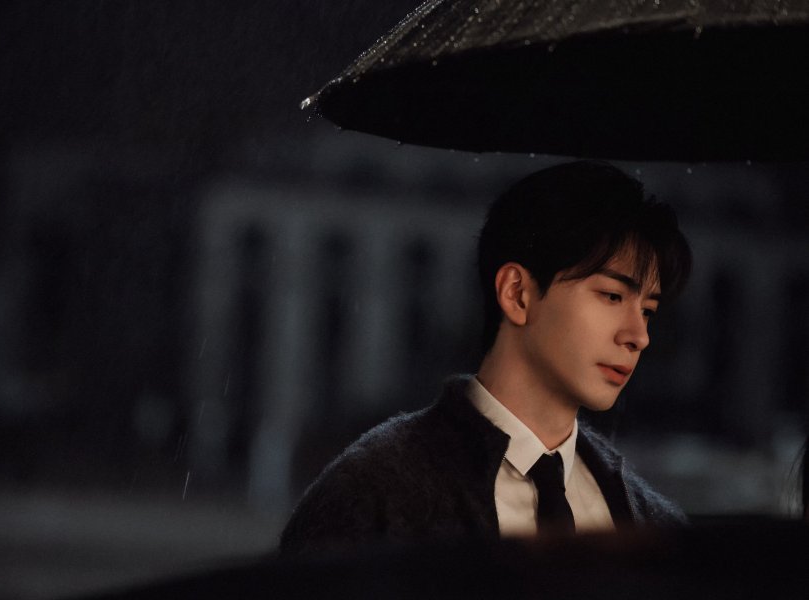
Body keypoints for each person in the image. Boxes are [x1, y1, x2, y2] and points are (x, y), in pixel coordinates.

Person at [280, 160, 693, 557]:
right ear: (517, 293)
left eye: (648, 311)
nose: (638, 336)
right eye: (612, 296)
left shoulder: (652, 521)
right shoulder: (371, 494)